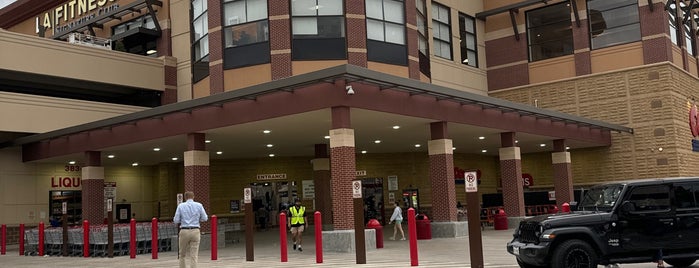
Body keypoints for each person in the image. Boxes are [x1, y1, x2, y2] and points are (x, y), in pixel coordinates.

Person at [173, 191, 208, 268]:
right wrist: (198, 219)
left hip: (184, 230)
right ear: (193, 197)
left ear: (185, 197)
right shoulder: (199, 205)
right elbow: (205, 218)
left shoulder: (181, 206)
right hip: (195, 230)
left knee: (182, 254)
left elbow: (176, 220)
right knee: (194, 255)